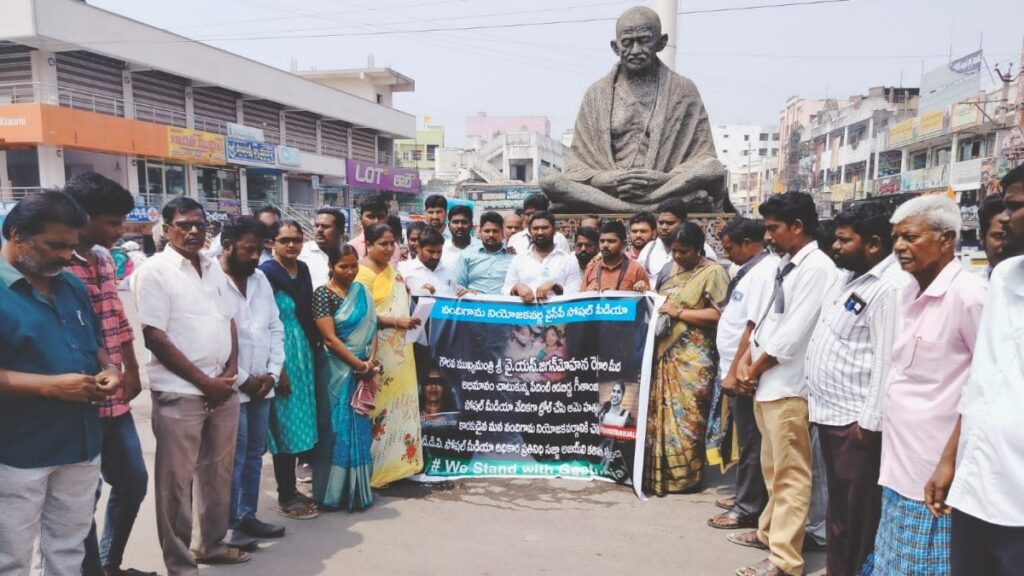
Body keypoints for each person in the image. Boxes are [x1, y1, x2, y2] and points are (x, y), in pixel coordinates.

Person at [0, 191, 121, 576]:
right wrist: (49, 387)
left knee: (67, 549)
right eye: (56, 246)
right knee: (12, 556)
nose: (67, 256)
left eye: (72, 247)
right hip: (18, 449)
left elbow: (96, 344)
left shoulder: (72, 286)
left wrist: (111, 369)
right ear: (17, 235)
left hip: (80, 443)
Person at [866, 195, 986, 576]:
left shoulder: (970, 296)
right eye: (895, 237)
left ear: (947, 239)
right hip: (898, 468)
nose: (899, 247)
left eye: (911, 237)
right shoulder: (906, 292)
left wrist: (951, 462)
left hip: (936, 473)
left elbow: (988, 387)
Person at [133, 197, 249, 572]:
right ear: (166, 229)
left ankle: (211, 545)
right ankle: (180, 563)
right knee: (175, 485)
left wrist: (229, 373)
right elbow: (155, 337)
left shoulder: (212, 267)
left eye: (200, 224)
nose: (195, 231)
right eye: (185, 224)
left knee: (217, 474)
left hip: (222, 389)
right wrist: (204, 382)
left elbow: (228, 319)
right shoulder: (155, 271)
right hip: (180, 393)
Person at [730, 192, 836, 576]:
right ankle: (769, 534)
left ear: (797, 227)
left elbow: (793, 334)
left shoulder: (818, 268)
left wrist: (753, 367)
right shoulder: (788, 265)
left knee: (791, 476)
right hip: (768, 384)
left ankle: (785, 561)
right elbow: (766, 321)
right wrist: (746, 361)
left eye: (774, 228)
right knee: (774, 471)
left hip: (789, 386)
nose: (768, 236)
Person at [803, 202, 907, 576]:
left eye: (844, 241)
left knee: (860, 517)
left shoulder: (889, 288)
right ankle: (837, 569)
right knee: (839, 512)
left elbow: (886, 360)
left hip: (857, 425)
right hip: (831, 415)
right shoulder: (851, 277)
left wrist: (869, 422)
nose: (835, 246)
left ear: (875, 243)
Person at [539, 6, 726, 214]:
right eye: (627, 43)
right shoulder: (596, 94)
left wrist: (663, 179)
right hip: (611, 190)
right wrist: (605, 179)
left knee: (713, 169)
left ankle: (632, 205)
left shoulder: (683, 90)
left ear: (661, 42)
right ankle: (656, 207)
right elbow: (577, 166)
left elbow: (702, 156)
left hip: (665, 186)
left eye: (644, 40)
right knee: (550, 180)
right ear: (615, 47)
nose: (636, 50)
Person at [63, 173, 152, 576]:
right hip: (75, 401)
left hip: (115, 399)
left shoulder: (101, 258)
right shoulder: (55, 264)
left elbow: (117, 319)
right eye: (113, 221)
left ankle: (108, 563)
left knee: (132, 481)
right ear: (83, 217)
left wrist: (132, 369)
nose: (121, 230)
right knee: (82, 497)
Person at [942, 165, 1024, 576]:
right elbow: (982, 384)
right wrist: (950, 460)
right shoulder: (1005, 277)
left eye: (1016, 206)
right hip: (977, 487)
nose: (1006, 218)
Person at [644, 222, 728, 496]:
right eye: (674, 251)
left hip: (694, 360)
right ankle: (661, 476)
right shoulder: (670, 271)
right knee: (661, 416)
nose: (678, 257)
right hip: (663, 353)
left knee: (688, 419)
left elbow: (720, 316)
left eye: (684, 251)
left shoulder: (713, 273)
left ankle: (686, 478)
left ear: (699, 248)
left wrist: (679, 312)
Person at [219, 217, 287, 549]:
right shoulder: (212, 280)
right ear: (227, 245)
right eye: (248, 249)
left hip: (264, 384)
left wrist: (273, 373)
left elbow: (275, 327)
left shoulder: (259, 279)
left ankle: (247, 515)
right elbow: (214, 335)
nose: (254, 257)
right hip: (232, 386)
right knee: (232, 456)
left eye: (259, 250)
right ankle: (228, 525)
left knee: (254, 454)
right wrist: (244, 378)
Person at [709, 217, 777, 532]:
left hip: (743, 371)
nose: (728, 254)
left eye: (730, 248)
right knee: (744, 438)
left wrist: (738, 370)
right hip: (732, 366)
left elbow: (754, 327)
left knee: (751, 440)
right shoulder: (746, 270)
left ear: (748, 243)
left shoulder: (764, 273)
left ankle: (748, 507)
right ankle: (745, 494)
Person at [259, 221, 320, 521]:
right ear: (273, 243)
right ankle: (285, 493)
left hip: (304, 353)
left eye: (296, 240)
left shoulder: (304, 270)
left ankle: (294, 487)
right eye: (285, 240)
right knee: (284, 426)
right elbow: (265, 324)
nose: (292, 246)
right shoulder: (266, 275)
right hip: (281, 353)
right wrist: (278, 370)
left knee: (302, 422)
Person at [355, 223, 423, 486]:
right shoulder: (362, 273)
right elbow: (364, 315)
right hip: (378, 350)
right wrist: (396, 322)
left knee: (402, 404)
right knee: (379, 407)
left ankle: (400, 466)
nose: (388, 248)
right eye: (382, 243)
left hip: (402, 350)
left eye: (392, 243)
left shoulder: (393, 270)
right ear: (368, 245)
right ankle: (378, 470)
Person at [312, 245, 379, 511]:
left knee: (360, 425)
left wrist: (370, 361)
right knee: (335, 428)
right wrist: (358, 364)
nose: (350, 272)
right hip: (335, 370)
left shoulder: (362, 291)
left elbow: (372, 325)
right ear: (331, 266)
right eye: (344, 266)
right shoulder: (322, 295)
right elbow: (329, 339)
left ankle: (358, 490)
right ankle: (332, 492)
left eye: (354, 266)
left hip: (362, 366)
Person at [504, 210, 582, 302]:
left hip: (558, 313)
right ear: (529, 231)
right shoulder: (518, 260)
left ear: (554, 230)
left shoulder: (568, 260)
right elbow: (505, 291)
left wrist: (555, 287)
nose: (540, 232)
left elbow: (577, 293)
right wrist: (516, 288)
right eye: (535, 228)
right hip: (525, 314)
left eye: (545, 228)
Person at [637, 198, 718, 276]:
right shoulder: (648, 249)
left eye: (670, 223)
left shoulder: (700, 249)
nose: (664, 227)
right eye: (661, 223)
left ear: (683, 222)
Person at [456, 211, 515, 296]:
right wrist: (465, 292)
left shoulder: (512, 258)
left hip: (503, 306)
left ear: (503, 233)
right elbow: (459, 284)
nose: (491, 235)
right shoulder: (466, 255)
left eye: (495, 231)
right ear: (480, 232)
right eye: (487, 231)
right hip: (472, 306)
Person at [581, 221, 650, 292]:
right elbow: (579, 300)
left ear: (624, 244)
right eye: (602, 241)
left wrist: (641, 289)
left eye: (611, 241)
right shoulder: (591, 269)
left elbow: (648, 300)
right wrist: (587, 293)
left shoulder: (637, 270)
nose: (605, 245)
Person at [507, 193, 572, 254]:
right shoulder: (515, 239)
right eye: (528, 214)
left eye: (534, 214)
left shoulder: (559, 239)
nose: (531, 218)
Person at [398, 227, 455, 296]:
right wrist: (418, 293)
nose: (436, 256)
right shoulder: (402, 270)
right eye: (431, 252)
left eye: (439, 252)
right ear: (419, 248)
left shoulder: (450, 270)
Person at [299, 207, 347, 288]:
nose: (319, 230)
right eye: (316, 226)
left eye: (325, 226)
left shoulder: (349, 254)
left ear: (341, 231)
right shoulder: (301, 253)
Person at [348, 196, 397, 263]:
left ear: (387, 219)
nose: (376, 221)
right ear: (361, 218)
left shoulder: (394, 248)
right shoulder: (351, 247)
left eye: (380, 217)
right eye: (371, 216)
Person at [976, 194, 1009, 279]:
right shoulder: (973, 287)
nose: (1007, 244)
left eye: (1012, 236)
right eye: (999, 236)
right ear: (982, 237)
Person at [441, 204, 478, 269]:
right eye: (455, 222)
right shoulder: (442, 249)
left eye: (464, 222)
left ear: (471, 225)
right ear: (449, 225)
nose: (460, 226)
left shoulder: (481, 248)